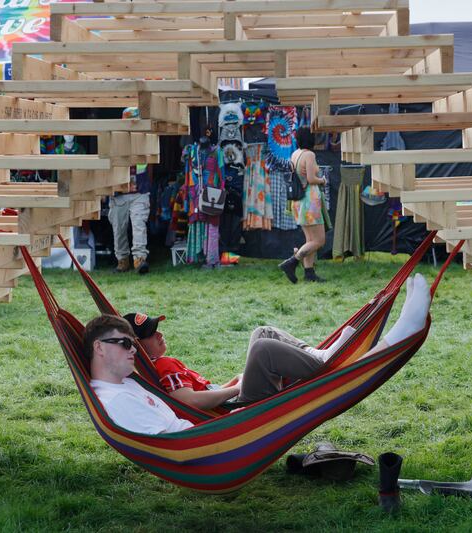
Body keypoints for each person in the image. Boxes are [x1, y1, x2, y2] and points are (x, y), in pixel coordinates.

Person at [87, 274, 430, 434]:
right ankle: (329, 358)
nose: (157, 336)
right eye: (141, 339)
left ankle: (322, 355)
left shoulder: (147, 369)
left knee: (261, 333)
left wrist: (226, 384)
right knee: (264, 348)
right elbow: (189, 402)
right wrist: (235, 388)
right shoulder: (160, 366)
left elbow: (193, 396)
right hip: (234, 421)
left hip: (227, 411)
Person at [85, 314, 195, 434]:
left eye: (133, 344)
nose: (134, 350)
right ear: (99, 347)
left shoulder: (128, 382)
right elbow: (168, 444)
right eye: (125, 343)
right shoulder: (120, 400)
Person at [279, 127, 330, 283]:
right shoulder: (309, 155)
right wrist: (322, 180)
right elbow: (311, 178)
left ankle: (309, 273)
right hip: (310, 201)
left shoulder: (295, 154)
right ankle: (292, 262)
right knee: (319, 240)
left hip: (298, 201)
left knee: (310, 239)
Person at [108, 107, 152, 274]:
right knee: (118, 229)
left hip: (139, 193)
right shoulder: (114, 141)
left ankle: (139, 260)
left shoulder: (146, 140)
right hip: (119, 194)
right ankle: (122, 261)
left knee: (139, 225)